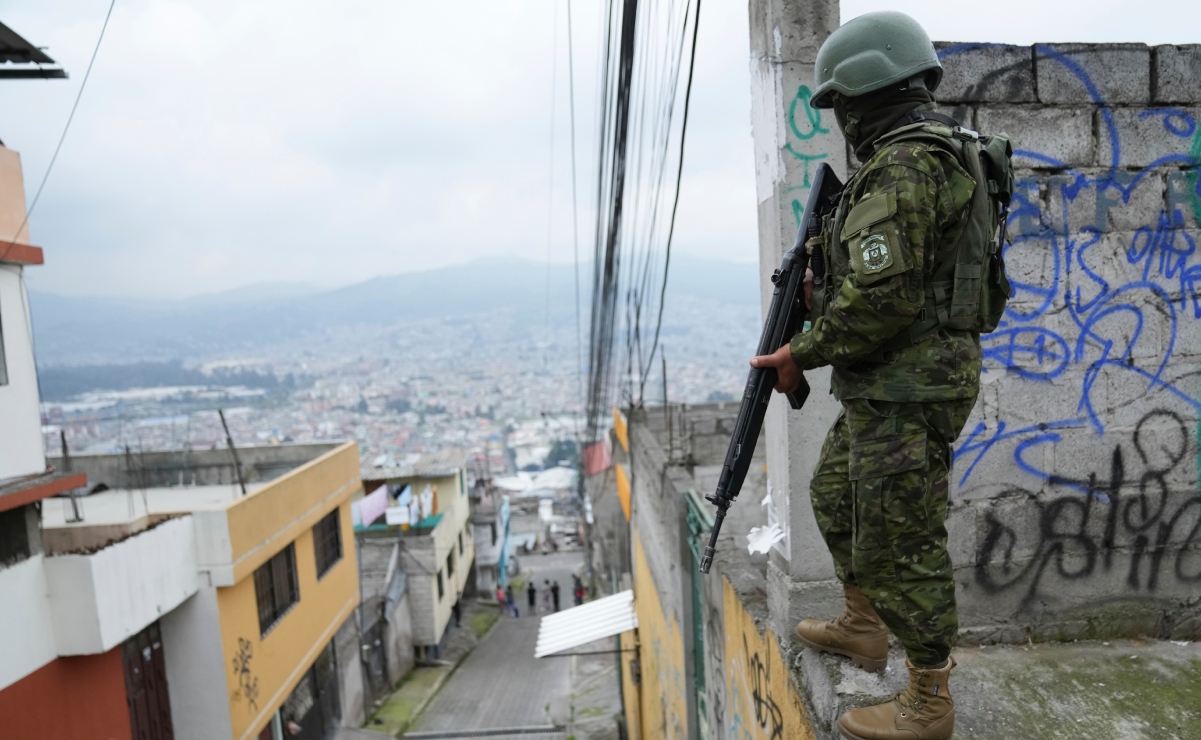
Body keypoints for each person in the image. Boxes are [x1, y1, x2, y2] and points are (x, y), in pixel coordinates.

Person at [749, 11, 1006, 740]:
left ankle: (928, 696)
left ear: (863, 94)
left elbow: (885, 298)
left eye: (840, 104)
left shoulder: (903, 165)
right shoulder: (927, 156)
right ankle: (864, 626)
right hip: (897, 382)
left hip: (910, 384)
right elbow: (896, 279)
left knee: (900, 536)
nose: (840, 119)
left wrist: (802, 349)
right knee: (836, 494)